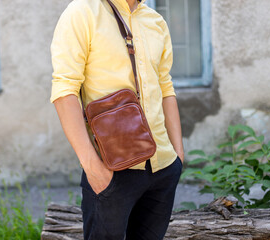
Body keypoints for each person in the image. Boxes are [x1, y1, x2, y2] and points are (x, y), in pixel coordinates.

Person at [50, 0, 184, 239]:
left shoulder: (155, 21)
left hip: (163, 169)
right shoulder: (83, 11)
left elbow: (166, 87)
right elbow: (64, 90)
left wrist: (178, 157)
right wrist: (94, 170)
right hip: (112, 169)